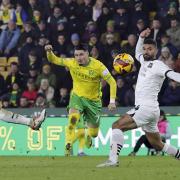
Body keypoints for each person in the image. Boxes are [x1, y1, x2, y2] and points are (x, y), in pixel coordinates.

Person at [97, 28, 180, 167]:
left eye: (150, 49)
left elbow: (172, 75)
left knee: (117, 126)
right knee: (157, 144)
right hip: (152, 110)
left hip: (145, 108)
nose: (146, 51)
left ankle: (113, 160)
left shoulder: (158, 65)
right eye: (145, 48)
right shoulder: (144, 62)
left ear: (156, 51)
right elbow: (137, 53)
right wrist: (141, 37)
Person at [45, 43, 117, 156]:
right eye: (76, 55)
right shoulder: (72, 62)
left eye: (81, 54)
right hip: (77, 97)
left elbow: (112, 82)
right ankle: (68, 144)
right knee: (72, 119)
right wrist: (49, 52)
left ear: (88, 53)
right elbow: (54, 60)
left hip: (94, 102)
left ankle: (89, 135)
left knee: (94, 133)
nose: (78, 58)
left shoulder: (98, 66)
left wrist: (112, 101)